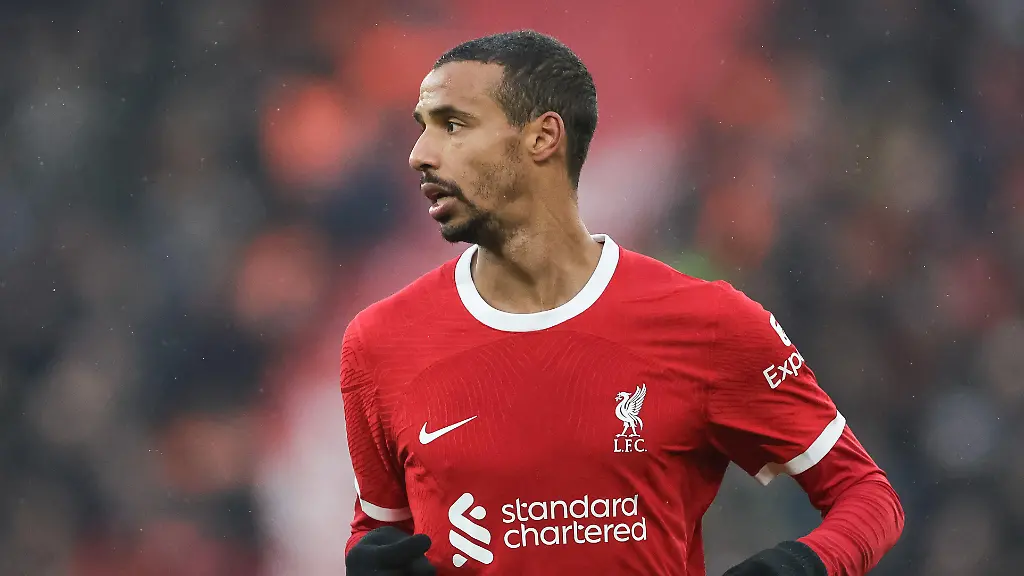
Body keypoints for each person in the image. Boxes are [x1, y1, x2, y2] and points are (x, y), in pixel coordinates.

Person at [341, 30, 904, 576]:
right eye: (422, 128)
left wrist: (796, 567)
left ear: (543, 137)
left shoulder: (707, 322)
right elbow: (379, 531)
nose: (419, 154)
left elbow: (867, 496)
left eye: (453, 125)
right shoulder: (380, 344)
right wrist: (365, 561)